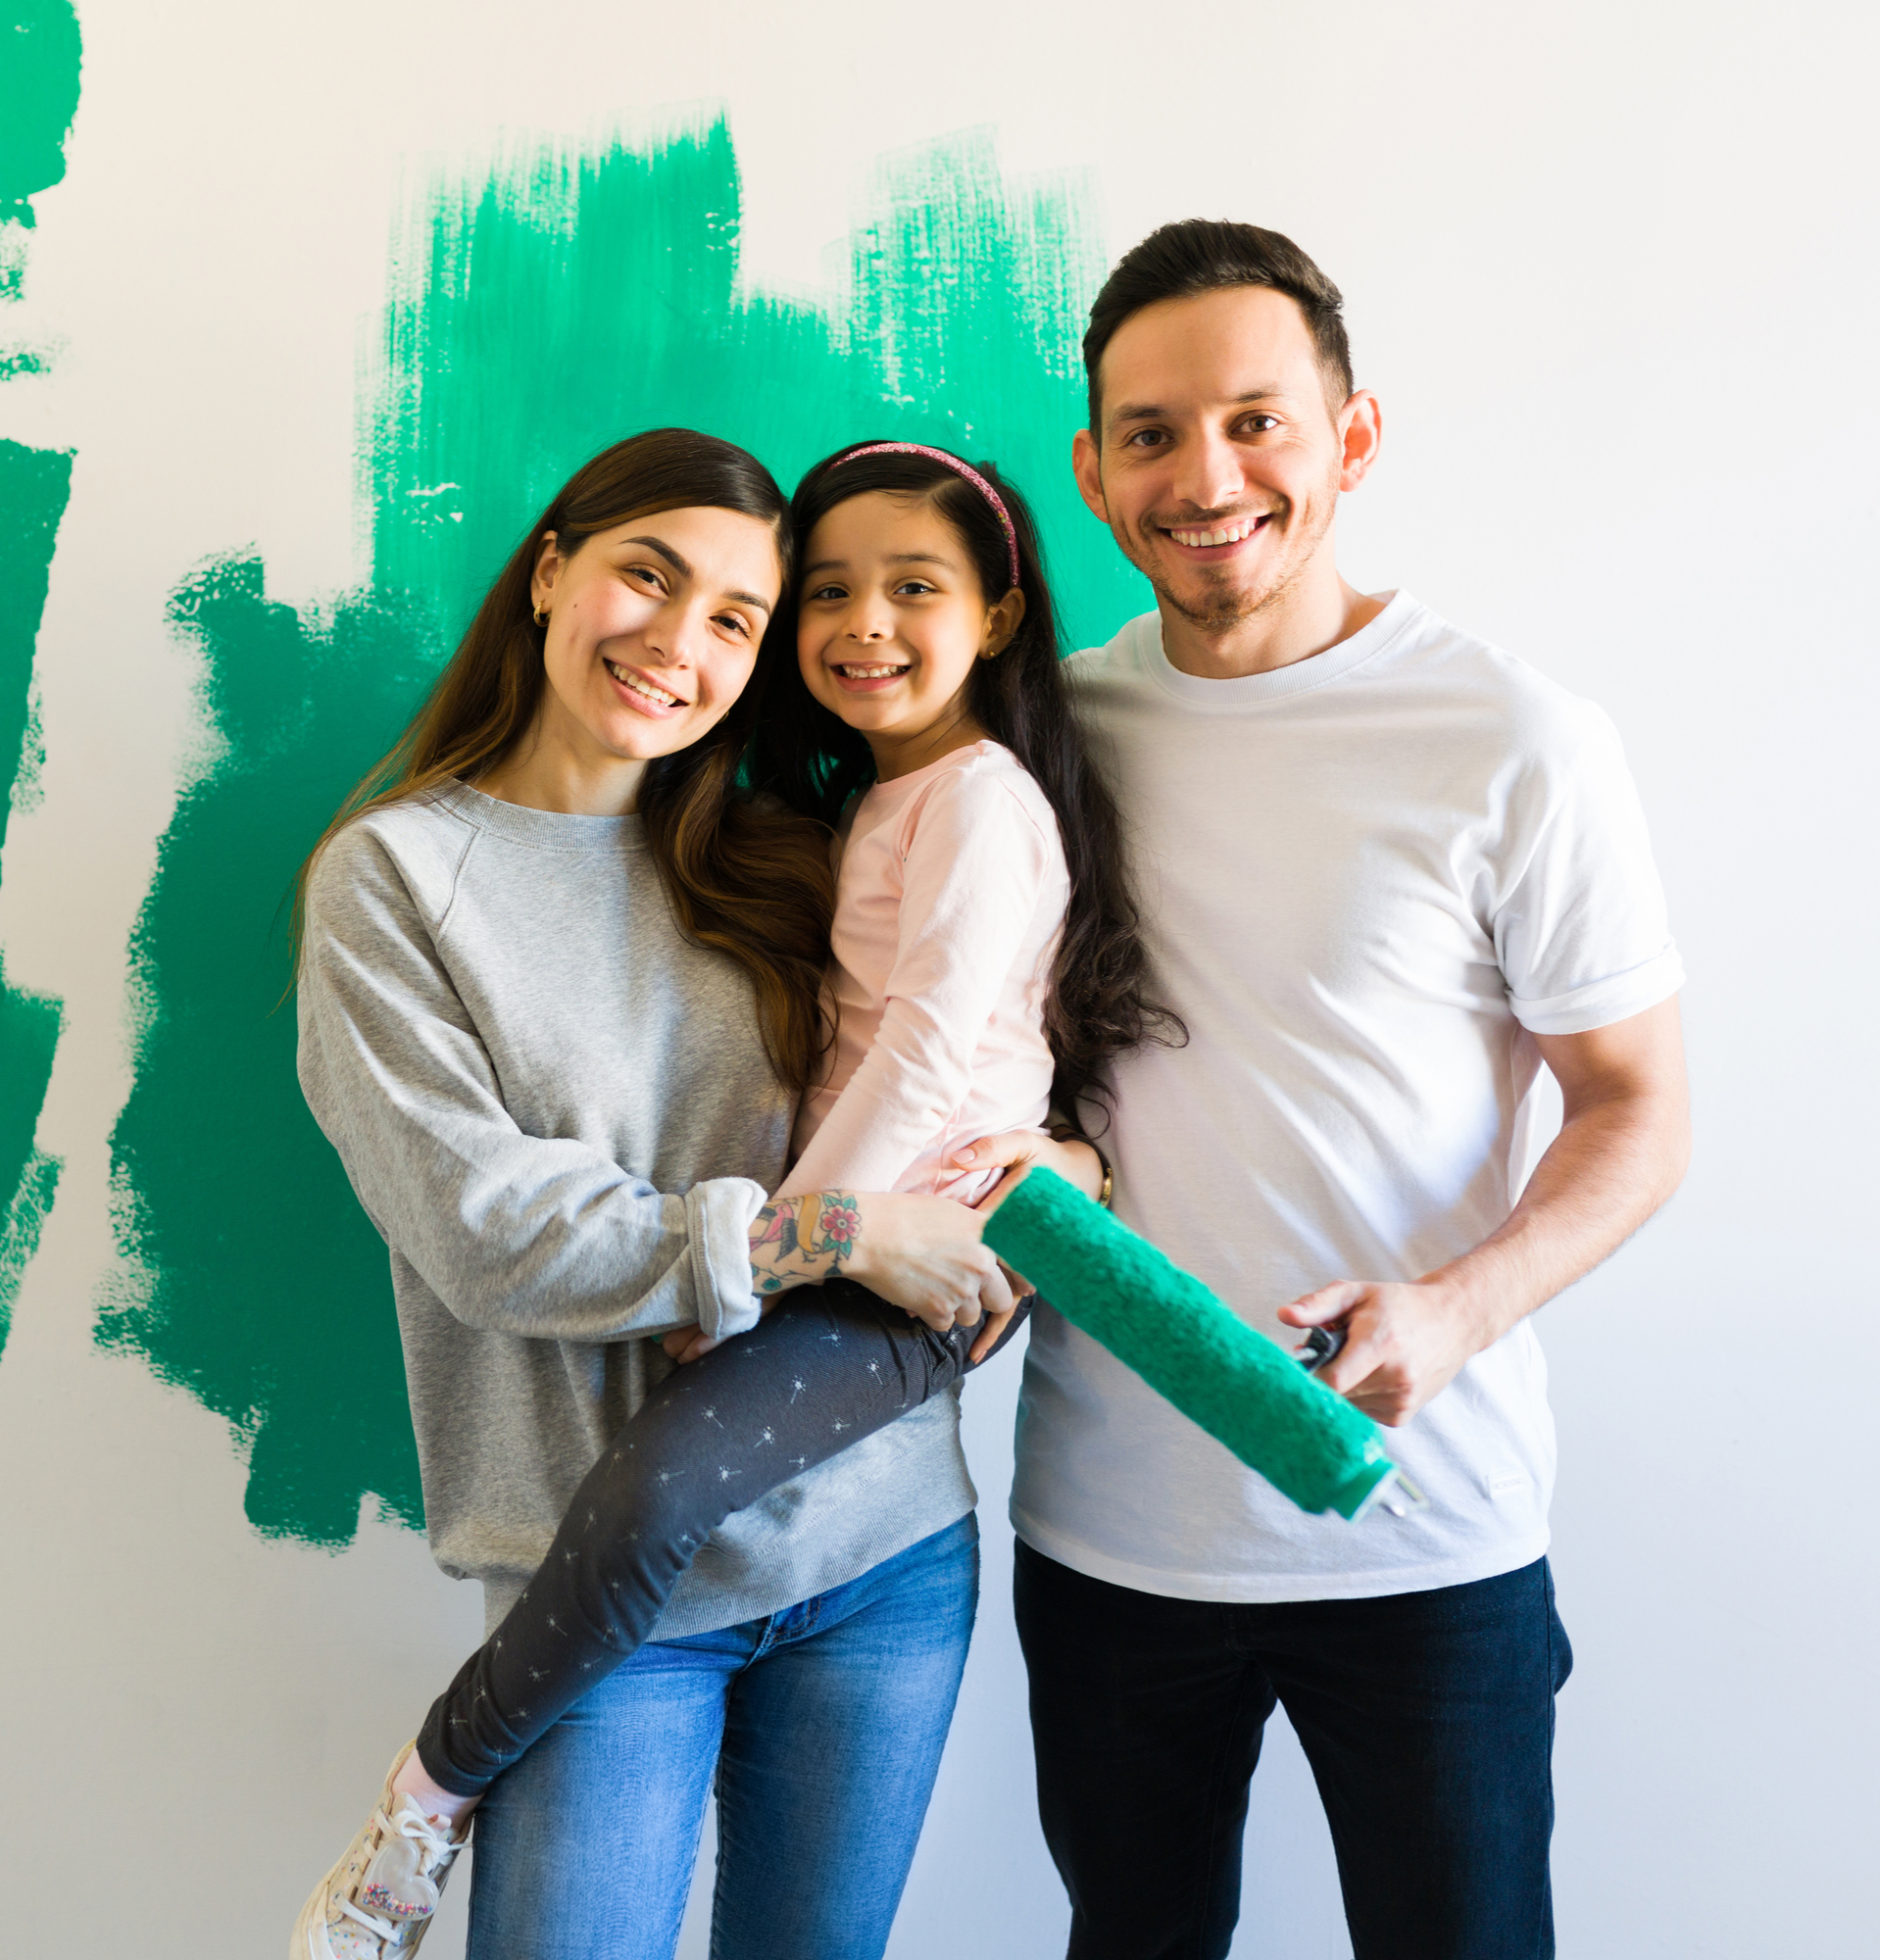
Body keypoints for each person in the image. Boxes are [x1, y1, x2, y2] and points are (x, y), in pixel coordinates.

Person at [288, 429, 1120, 1960]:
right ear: (552, 572)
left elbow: (963, 1054)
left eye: (737, 616)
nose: (679, 643)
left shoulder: (784, 850)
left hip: (883, 1550)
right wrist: (830, 1236)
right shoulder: (395, 881)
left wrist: (1067, 1169)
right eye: (648, 577)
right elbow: (486, 1229)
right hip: (607, 1589)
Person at [1014, 219, 1692, 1959]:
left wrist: (1457, 1310)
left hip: (1425, 1531)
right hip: (1113, 1535)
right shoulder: (1046, 744)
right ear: (1093, 473)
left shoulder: (1515, 738)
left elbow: (1637, 1107)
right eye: (1153, 435)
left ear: (1354, 437)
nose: (1206, 478)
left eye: (1258, 421)